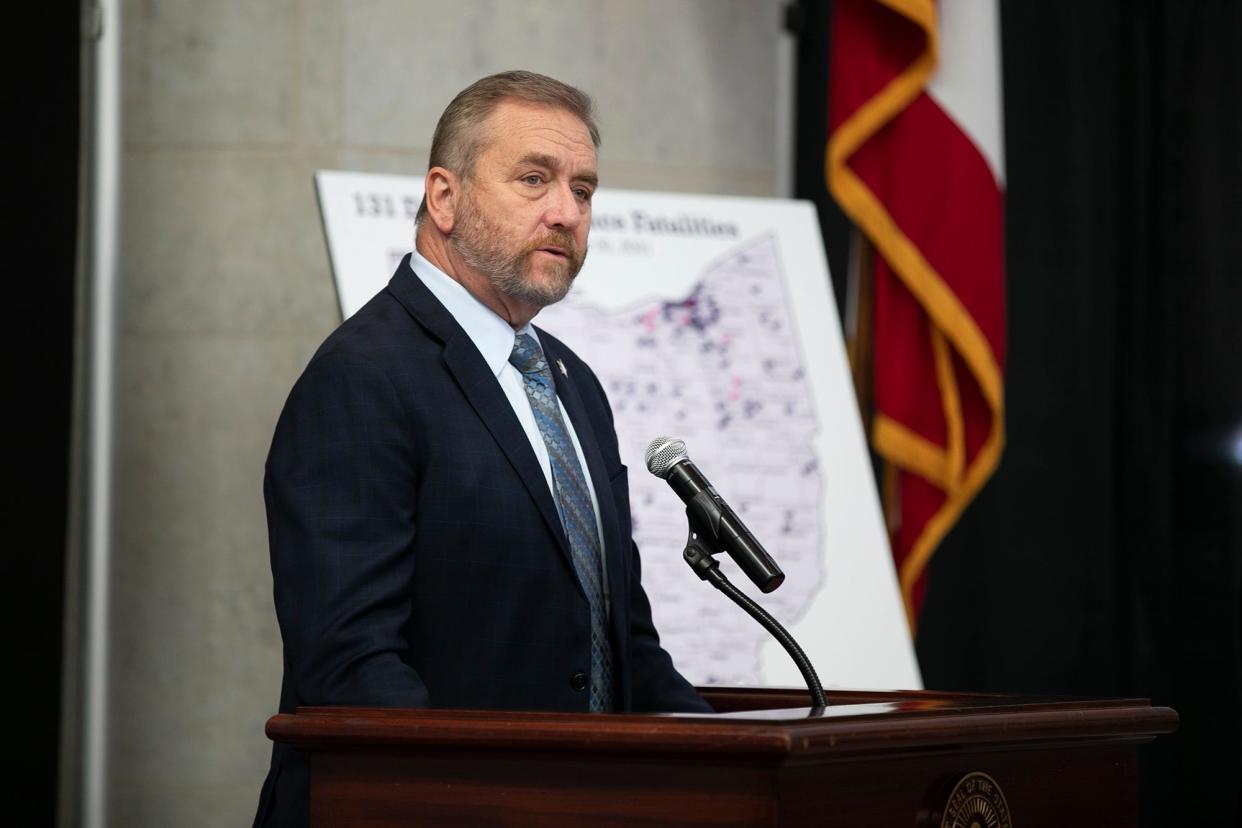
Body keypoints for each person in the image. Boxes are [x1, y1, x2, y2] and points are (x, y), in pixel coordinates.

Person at [253, 70, 711, 827]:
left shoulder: (574, 386)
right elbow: (351, 665)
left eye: (585, 190)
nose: (566, 212)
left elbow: (619, 641)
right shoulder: (363, 379)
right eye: (534, 179)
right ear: (444, 198)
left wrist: (739, 762)